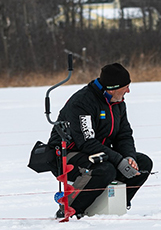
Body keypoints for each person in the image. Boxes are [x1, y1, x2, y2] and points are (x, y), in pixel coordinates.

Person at [48, 63, 152, 216]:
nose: (128, 91)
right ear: (112, 88)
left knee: (142, 163)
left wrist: (129, 157)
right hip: (67, 155)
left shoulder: (118, 103)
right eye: (126, 87)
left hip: (99, 153)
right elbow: (87, 142)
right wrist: (118, 160)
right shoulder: (82, 102)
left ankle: (116, 205)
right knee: (105, 169)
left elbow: (124, 135)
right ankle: (70, 210)